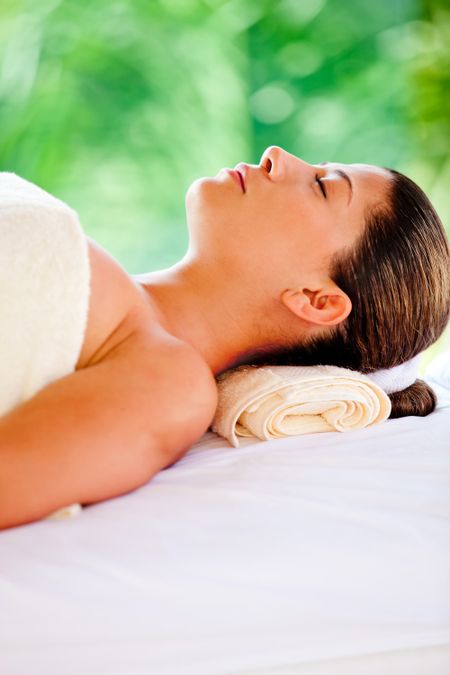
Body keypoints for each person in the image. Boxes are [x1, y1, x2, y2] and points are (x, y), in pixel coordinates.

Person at [1, 145, 449, 528]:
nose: (277, 156)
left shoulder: (171, 386)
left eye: (322, 186)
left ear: (315, 299)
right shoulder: (107, 291)